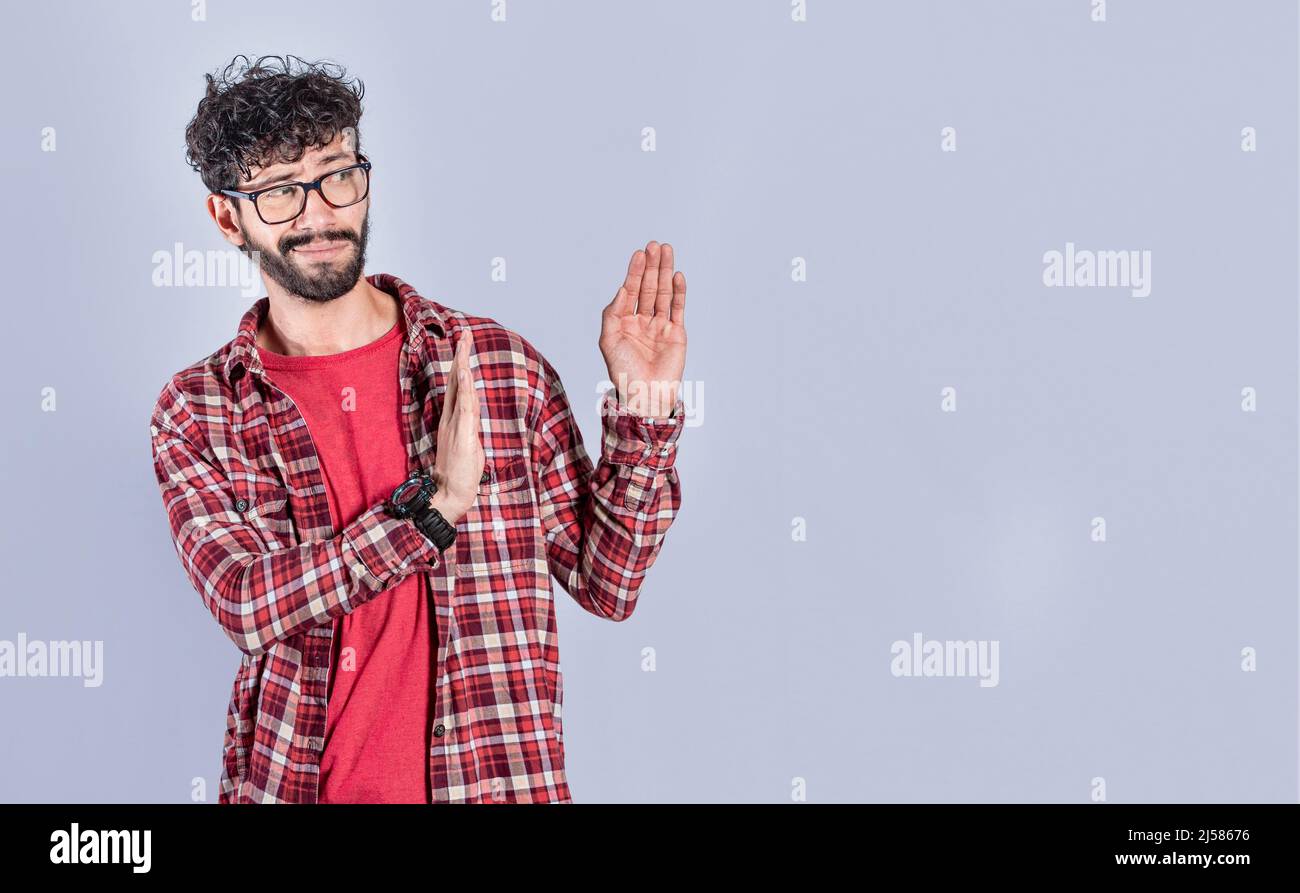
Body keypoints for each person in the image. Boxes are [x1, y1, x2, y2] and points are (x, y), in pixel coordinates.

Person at [150, 54, 687, 803]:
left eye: (337, 174)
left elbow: (609, 582)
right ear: (225, 214)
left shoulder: (497, 366)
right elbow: (247, 602)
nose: (317, 214)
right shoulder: (201, 407)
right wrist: (431, 510)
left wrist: (646, 408)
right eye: (278, 191)